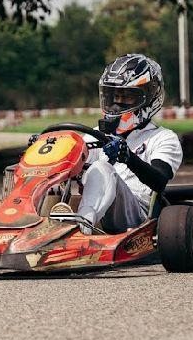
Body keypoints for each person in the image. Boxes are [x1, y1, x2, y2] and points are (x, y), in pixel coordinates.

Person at [32, 53, 183, 233]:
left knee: (103, 167)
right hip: (97, 208)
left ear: (148, 97)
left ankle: (83, 227)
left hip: (137, 214)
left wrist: (128, 158)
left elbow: (159, 181)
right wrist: (45, 152)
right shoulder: (96, 134)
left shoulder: (163, 138)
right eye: (114, 96)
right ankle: (24, 222)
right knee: (52, 180)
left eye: (126, 97)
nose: (117, 103)